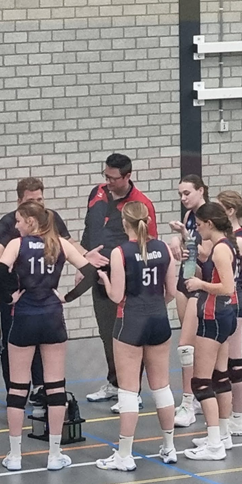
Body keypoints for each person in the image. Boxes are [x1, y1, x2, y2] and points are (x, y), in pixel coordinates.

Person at [0, 202, 100, 472]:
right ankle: (54, 454)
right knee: (55, 387)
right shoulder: (61, 244)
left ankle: (15, 455)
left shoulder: (17, 244)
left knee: (18, 388)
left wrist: (9, 297)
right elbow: (90, 273)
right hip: (52, 317)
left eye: (19, 220)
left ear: (30, 221)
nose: (16, 225)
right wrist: (67, 297)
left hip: (25, 316)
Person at [94, 202, 179, 471]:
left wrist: (105, 281)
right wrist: (155, 306)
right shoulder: (164, 248)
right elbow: (171, 291)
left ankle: (124, 454)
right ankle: (169, 447)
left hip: (130, 323)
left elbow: (117, 296)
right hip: (159, 321)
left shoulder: (120, 252)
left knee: (129, 390)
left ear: (124, 223)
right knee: (161, 387)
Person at [80, 153, 158, 410]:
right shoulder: (97, 193)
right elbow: (89, 231)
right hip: (99, 276)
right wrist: (82, 262)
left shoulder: (141, 204)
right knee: (108, 333)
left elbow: (149, 246)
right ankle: (115, 383)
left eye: (113, 178)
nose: (108, 182)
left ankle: (132, 390)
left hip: (126, 279)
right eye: (106, 176)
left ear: (127, 176)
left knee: (128, 335)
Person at [0, 177, 72, 416]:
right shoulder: (10, 226)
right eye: (31, 200)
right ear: (20, 202)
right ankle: (17, 393)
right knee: (13, 348)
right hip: (19, 296)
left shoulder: (52, 220)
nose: (37, 204)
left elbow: (70, 247)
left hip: (44, 300)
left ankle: (40, 390)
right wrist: (18, 261)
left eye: (40, 199)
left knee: (44, 349)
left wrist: (89, 259)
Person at [183, 202, 238, 461]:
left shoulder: (220, 250)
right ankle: (222, 434)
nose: (198, 230)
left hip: (214, 316)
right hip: (224, 315)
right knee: (220, 376)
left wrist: (200, 284)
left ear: (210, 223)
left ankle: (215, 443)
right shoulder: (224, 246)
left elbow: (226, 287)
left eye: (199, 225)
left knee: (201, 381)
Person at [168, 174, 209, 427]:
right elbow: (188, 248)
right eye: (180, 194)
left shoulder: (210, 217)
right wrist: (177, 241)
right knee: (189, 341)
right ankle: (195, 396)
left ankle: (188, 402)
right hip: (186, 277)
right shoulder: (188, 217)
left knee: (188, 346)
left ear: (201, 190)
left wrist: (185, 236)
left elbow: (207, 253)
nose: (183, 198)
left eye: (187, 193)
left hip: (201, 283)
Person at [216, 190, 242, 436]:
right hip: (227, 300)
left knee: (235, 360)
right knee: (224, 360)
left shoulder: (239, 240)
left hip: (236, 300)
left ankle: (238, 418)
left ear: (230, 211)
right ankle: (225, 415)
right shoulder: (228, 238)